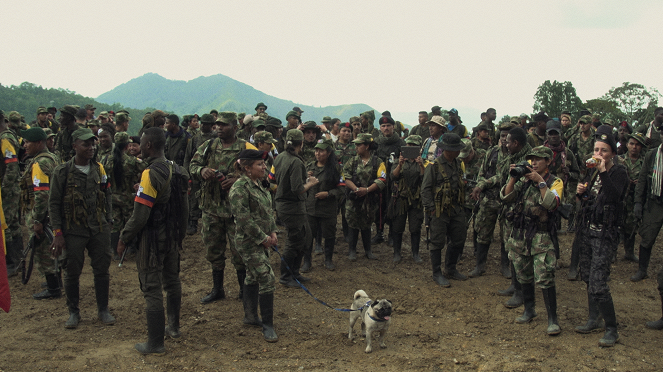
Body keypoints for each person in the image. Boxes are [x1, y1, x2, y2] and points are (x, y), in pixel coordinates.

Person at [117, 127, 189, 354]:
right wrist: (179, 235)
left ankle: (155, 343)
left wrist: (124, 237)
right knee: (172, 280)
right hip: (171, 236)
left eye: (142, 143)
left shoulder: (149, 173)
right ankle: (174, 327)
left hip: (152, 238)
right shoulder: (179, 171)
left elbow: (140, 215)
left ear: (148, 145)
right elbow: (184, 210)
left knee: (152, 288)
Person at [49, 128, 115, 329]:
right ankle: (73, 312)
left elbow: (107, 194)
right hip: (73, 229)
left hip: (98, 227)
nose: (91, 148)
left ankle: (103, 309)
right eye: (86, 144)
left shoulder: (99, 169)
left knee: (102, 269)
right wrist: (58, 233)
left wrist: (109, 220)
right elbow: (53, 204)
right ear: (74, 146)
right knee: (72, 270)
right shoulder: (62, 172)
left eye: (92, 144)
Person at [189, 112, 257, 303]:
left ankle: (244, 291)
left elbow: (261, 171)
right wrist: (202, 171)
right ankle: (217, 289)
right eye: (217, 125)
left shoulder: (245, 147)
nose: (218, 128)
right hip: (212, 208)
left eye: (224, 125)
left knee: (240, 251)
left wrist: (237, 180)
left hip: (237, 210)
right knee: (214, 250)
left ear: (235, 127)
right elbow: (193, 165)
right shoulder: (209, 146)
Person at [573, 125, 628, 347]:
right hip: (588, 230)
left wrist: (604, 170)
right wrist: (581, 193)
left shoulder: (618, 171)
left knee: (598, 281)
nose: (599, 154)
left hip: (606, 233)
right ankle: (593, 318)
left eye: (603, 150)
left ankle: (611, 329)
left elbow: (614, 196)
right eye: (596, 150)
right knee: (586, 275)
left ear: (613, 153)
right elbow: (592, 200)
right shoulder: (593, 172)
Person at [501, 146, 563, 335]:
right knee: (523, 273)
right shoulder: (524, 181)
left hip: (541, 236)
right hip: (521, 234)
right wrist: (513, 176)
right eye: (531, 159)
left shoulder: (555, 181)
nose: (533, 163)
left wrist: (541, 183)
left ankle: (553, 319)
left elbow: (552, 204)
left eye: (538, 159)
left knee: (544, 275)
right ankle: (529, 310)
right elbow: (506, 197)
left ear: (548, 162)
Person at [229, 149, 279, 342]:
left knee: (252, 275)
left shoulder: (259, 185)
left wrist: (273, 232)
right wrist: (264, 238)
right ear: (247, 168)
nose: (264, 167)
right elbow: (243, 220)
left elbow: (268, 211)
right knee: (267, 278)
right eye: (260, 164)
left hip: (263, 239)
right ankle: (267, 325)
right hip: (249, 242)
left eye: (263, 163)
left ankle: (250, 316)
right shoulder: (240, 188)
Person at [272, 129, 318, 286]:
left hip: (285, 205)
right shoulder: (296, 161)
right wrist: (310, 183)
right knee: (294, 240)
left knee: (304, 237)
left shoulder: (281, 157)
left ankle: (295, 273)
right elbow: (297, 188)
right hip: (292, 207)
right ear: (302, 143)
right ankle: (286, 276)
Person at [470, 122, 515, 281]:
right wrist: (481, 184)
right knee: (483, 232)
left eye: (508, 137)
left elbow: (503, 177)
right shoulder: (492, 152)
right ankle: (480, 265)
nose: (504, 140)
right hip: (489, 199)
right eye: (502, 136)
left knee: (506, 234)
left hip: (508, 200)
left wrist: (484, 184)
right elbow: (481, 174)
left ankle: (505, 266)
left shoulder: (516, 156)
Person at [421, 133, 467, 287]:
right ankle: (437, 273)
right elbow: (425, 190)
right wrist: (431, 209)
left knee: (459, 238)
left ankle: (450, 268)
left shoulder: (457, 164)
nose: (459, 152)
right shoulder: (433, 167)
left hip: (456, 208)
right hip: (439, 211)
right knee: (437, 242)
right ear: (448, 150)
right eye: (456, 149)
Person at [496, 127, 533, 306]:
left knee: (519, 251)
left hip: (522, 209)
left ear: (516, 143)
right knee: (512, 248)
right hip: (510, 208)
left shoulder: (528, 159)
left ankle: (520, 292)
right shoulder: (513, 157)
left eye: (508, 141)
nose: (506, 143)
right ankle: (514, 285)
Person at [343, 133, 386, 261]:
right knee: (352, 223)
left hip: (369, 200)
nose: (356, 147)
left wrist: (367, 190)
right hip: (354, 198)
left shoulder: (378, 162)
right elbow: (346, 177)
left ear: (367, 146)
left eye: (359, 144)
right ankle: (352, 250)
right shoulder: (353, 161)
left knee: (367, 223)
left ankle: (368, 251)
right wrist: (356, 189)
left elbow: (382, 179)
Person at [305, 139, 344, 270]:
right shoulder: (309, 167)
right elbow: (301, 185)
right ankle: (307, 261)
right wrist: (306, 177)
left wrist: (328, 194)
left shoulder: (336, 168)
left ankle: (328, 260)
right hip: (311, 207)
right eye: (316, 150)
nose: (318, 153)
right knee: (309, 236)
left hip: (328, 208)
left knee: (329, 235)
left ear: (328, 153)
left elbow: (342, 188)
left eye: (321, 151)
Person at [107, 132, 145, 260]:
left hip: (112, 197)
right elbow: (146, 169)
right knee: (130, 223)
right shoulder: (132, 161)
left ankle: (114, 251)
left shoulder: (106, 160)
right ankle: (131, 249)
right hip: (127, 197)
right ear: (126, 146)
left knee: (115, 224)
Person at [391, 135, 428, 263]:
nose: (410, 148)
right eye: (409, 145)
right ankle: (397, 253)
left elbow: (425, 180)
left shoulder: (423, 162)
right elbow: (393, 177)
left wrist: (421, 165)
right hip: (401, 197)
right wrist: (400, 165)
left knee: (415, 227)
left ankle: (415, 254)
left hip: (416, 199)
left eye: (414, 146)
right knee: (398, 226)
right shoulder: (399, 161)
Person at [372, 116, 406, 245]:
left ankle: (392, 233)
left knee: (393, 205)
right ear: (380, 128)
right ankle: (379, 232)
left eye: (388, 126)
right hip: (380, 179)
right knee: (378, 206)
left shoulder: (400, 143)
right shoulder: (376, 142)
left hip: (395, 179)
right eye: (383, 126)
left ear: (393, 127)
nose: (386, 128)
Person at [183, 114, 216, 235]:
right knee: (194, 199)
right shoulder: (195, 139)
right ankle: (193, 222)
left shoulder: (216, 139)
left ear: (212, 126)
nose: (202, 125)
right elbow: (188, 157)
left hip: (211, 174)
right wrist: (188, 174)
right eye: (202, 123)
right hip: (196, 173)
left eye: (206, 124)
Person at [458, 138, 485, 275]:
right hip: (465, 197)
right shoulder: (458, 159)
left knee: (479, 226)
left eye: (466, 156)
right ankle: (458, 252)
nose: (464, 160)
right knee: (462, 225)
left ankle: (477, 252)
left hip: (481, 197)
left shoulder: (484, 156)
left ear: (472, 151)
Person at [0, 110, 22, 277]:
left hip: (8, 189)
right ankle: (17, 260)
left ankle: (11, 263)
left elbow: (12, 165)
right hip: (9, 188)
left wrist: (4, 188)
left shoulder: (5, 138)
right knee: (12, 223)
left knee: (6, 223)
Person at [619, 133, 646, 263]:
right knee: (617, 225)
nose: (634, 147)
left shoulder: (645, 162)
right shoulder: (619, 160)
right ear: (627, 144)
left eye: (637, 144)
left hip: (636, 198)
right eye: (631, 143)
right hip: (621, 198)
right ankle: (612, 253)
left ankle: (629, 252)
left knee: (632, 226)